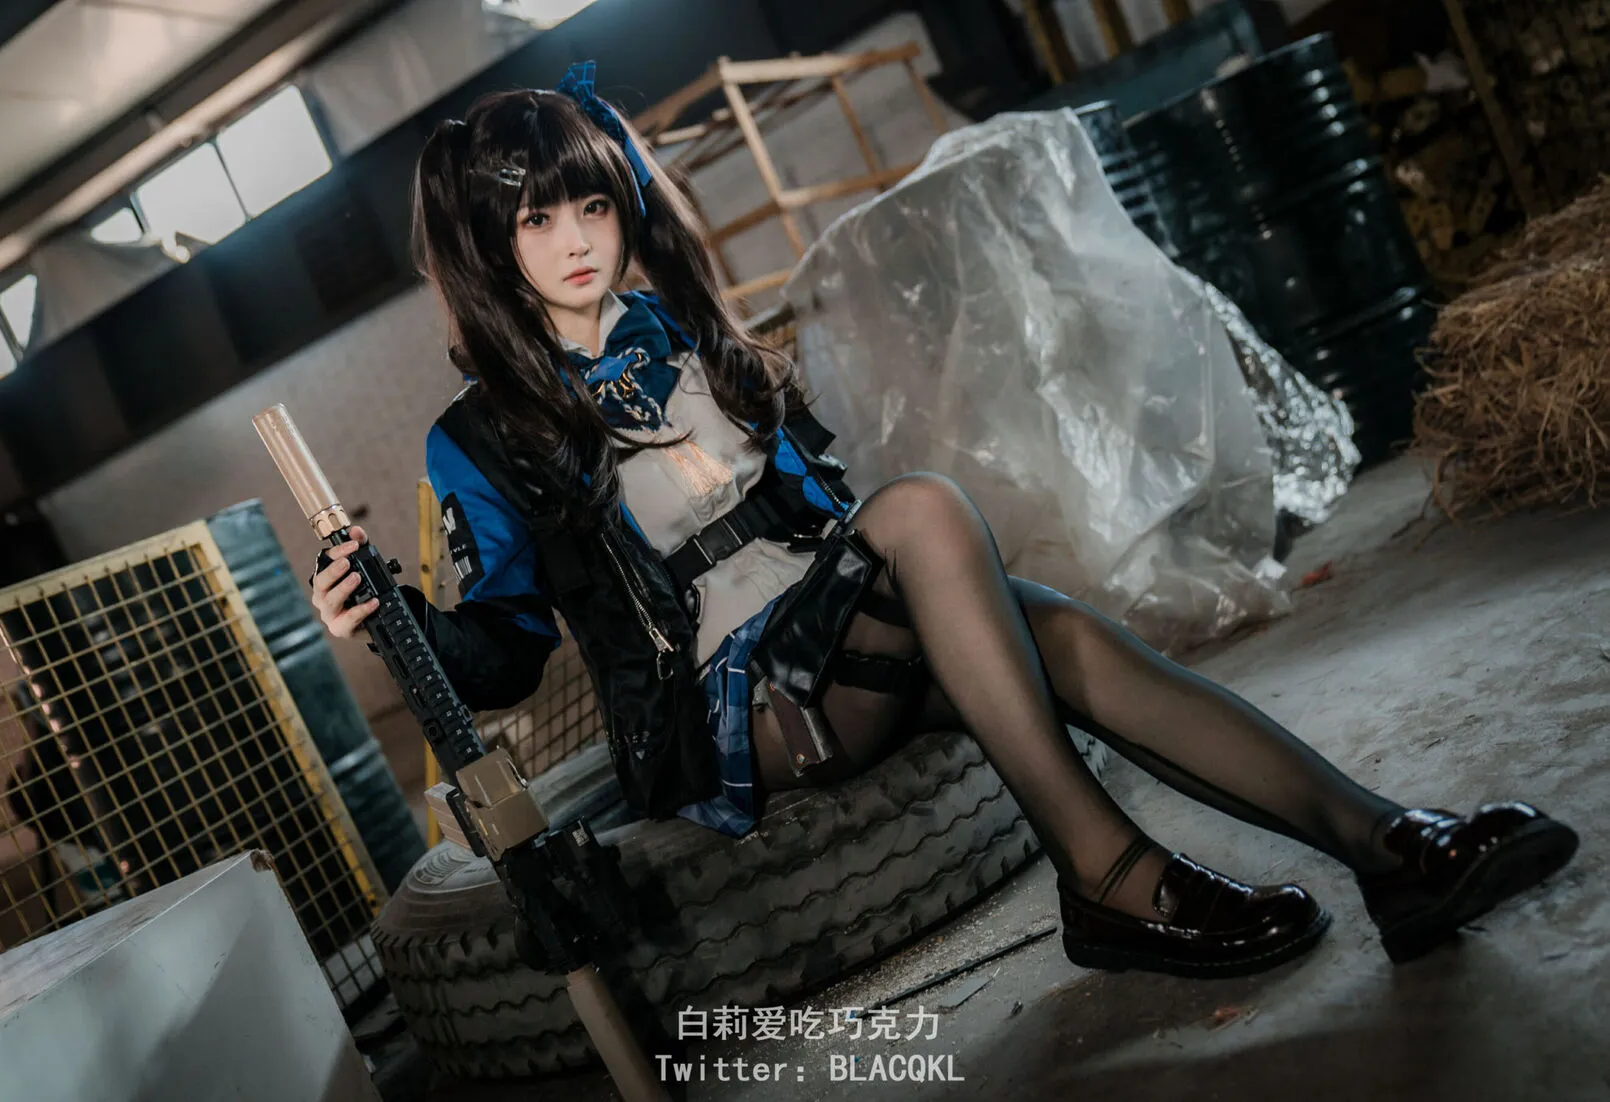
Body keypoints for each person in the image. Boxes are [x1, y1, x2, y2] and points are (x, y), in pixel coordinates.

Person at [311, 62, 1577, 979]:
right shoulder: (481, 432)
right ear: (490, 241)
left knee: (1059, 636)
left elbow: (809, 508)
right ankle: (1103, 868)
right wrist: (392, 618)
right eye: (537, 219)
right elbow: (505, 653)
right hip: (733, 707)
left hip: (842, 631)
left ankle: (1387, 846)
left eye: (592, 206)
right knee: (920, 511)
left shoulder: (673, 329)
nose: (577, 239)